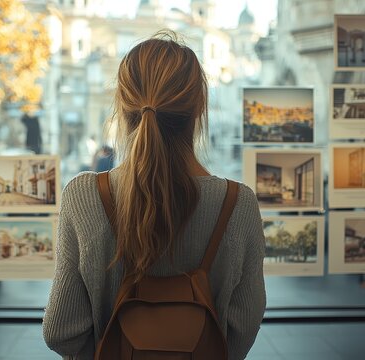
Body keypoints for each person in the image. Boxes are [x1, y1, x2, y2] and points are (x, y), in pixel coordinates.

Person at [43, 31, 266, 360]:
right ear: (199, 106)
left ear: (122, 104)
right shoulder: (238, 204)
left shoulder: (85, 195)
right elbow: (243, 326)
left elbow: (60, 331)